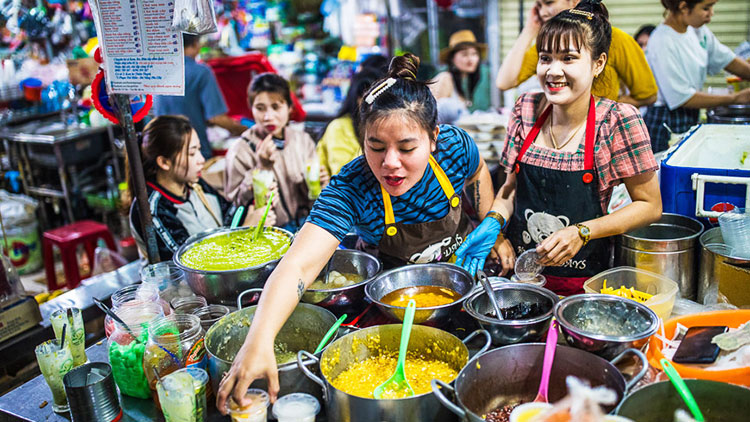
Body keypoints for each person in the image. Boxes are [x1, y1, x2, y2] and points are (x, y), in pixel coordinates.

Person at [215, 54, 497, 410]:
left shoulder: (456, 147)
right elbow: (298, 266)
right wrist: (259, 339)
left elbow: (478, 170)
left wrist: (492, 226)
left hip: (465, 287)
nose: (389, 163)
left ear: (434, 138)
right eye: (375, 147)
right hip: (395, 312)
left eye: (407, 148)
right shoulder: (352, 186)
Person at [456, 0, 663, 295]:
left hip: (586, 286)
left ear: (598, 63)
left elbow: (650, 206)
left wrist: (582, 231)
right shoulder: (526, 108)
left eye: (568, 58)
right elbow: (511, 189)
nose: (553, 71)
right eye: (545, 58)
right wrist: (493, 221)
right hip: (523, 279)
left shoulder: (617, 120)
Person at [129, 116, 258, 262]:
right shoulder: (152, 209)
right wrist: (246, 231)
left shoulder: (196, 186)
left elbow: (231, 217)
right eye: (191, 153)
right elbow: (189, 264)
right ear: (164, 162)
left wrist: (252, 202)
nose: (201, 160)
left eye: (199, 150)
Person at [495, 0, 657, 108]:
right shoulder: (548, 43)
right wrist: (530, 28)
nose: (543, 12)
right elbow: (504, 82)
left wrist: (604, 108)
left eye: (549, 3)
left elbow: (648, 95)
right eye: (545, 58)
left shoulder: (617, 40)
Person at [224, 73, 327, 231]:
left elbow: (313, 197)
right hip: (267, 233)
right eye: (260, 108)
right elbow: (235, 206)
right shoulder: (240, 150)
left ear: (289, 107)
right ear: (251, 108)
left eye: (276, 107)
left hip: (304, 224)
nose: (268, 116)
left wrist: (320, 183)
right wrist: (261, 168)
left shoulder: (302, 140)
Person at [644, 0, 750, 152]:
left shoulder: (698, 31)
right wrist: (736, 98)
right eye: (706, 8)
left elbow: (727, 60)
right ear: (684, 7)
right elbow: (682, 97)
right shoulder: (662, 41)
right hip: (666, 121)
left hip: (688, 114)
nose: (711, 13)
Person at [153, 34, 247, 158]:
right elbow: (216, 118)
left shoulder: (159, 71)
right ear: (195, 44)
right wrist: (246, 131)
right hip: (194, 153)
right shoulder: (201, 72)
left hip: (164, 152)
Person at [317, 68, 380, 176]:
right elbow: (344, 177)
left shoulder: (386, 125)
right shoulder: (339, 128)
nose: (375, 106)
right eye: (370, 99)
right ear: (357, 99)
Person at [430, 30, 492, 123]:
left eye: (474, 54)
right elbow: (431, 119)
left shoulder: (465, 82)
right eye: (464, 54)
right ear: (452, 59)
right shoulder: (445, 79)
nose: (470, 59)